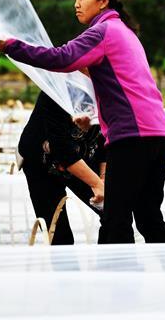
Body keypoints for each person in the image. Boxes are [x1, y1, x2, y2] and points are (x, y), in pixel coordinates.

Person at [0, 0, 165, 244]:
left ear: (103, 1)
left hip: (132, 137)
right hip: (158, 135)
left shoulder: (103, 31)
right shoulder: (126, 33)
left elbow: (62, 58)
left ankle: (113, 284)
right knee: (148, 217)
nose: (76, 3)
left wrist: (12, 47)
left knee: (115, 219)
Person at [18, 92, 106, 245]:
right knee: (58, 234)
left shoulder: (109, 83)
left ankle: (112, 266)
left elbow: (110, 137)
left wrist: (104, 178)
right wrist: (96, 184)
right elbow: (62, 148)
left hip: (83, 155)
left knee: (114, 213)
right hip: (41, 161)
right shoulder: (55, 87)